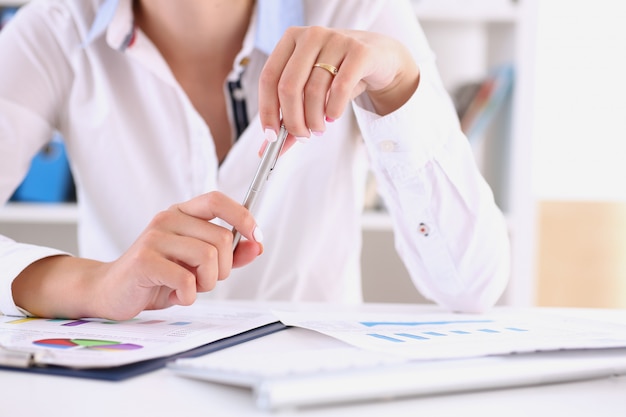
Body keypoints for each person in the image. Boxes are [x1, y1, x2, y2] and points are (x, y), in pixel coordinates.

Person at [0, 0, 510, 320]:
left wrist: (399, 86)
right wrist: (93, 284)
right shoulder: (53, 30)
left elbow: (472, 285)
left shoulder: (355, 11)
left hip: (311, 393)